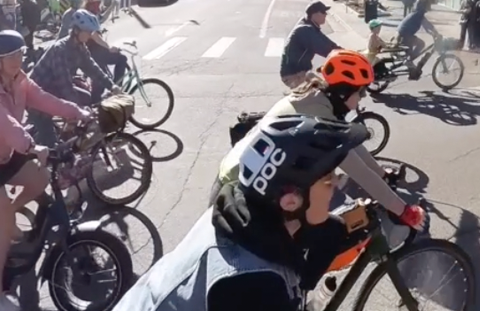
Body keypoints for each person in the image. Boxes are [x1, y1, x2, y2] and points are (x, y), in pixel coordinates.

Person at [116, 115, 372, 311]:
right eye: (328, 179)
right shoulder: (253, 286)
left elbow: (313, 234)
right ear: (291, 202)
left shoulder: (242, 214)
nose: (337, 185)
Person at [0, 30, 90, 311]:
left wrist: (77, 111)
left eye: (22, 53)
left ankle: (5, 215)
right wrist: (32, 145)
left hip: (2, 159)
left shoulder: (18, 80)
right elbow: (3, 126)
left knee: (39, 178)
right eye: (13, 55)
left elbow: (43, 99)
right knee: (3, 229)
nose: (20, 59)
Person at [216, 51, 423, 226]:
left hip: (242, 176)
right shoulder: (319, 118)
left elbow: (353, 147)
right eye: (361, 92)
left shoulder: (316, 98)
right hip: (239, 191)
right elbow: (359, 172)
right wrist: (403, 210)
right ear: (343, 92)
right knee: (332, 227)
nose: (363, 97)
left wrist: (382, 174)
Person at [27, 10, 115, 146]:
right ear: (76, 31)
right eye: (87, 32)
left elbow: (92, 68)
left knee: (85, 96)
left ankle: (69, 133)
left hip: (53, 88)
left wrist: (112, 86)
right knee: (50, 142)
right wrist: (77, 111)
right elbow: (65, 85)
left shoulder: (80, 47)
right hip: (37, 95)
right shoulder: (59, 50)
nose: (90, 35)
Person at [281, 2, 342, 88]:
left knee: (325, 89)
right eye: (323, 12)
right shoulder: (306, 30)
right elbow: (327, 50)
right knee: (324, 93)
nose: (326, 14)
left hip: (302, 72)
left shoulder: (310, 26)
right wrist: (344, 55)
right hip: (294, 75)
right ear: (314, 14)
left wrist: (346, 52)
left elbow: (328, 43)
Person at [80, 0, 130, 84]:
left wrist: (112, 6)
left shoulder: (92, 11)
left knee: (103, 80)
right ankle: (117, 89)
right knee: (122, 59)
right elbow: (95, 36)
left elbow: (101, 19)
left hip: (94, 49)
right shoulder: (89, 12)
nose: (99, 0)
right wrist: (109, 48)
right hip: (93, 51)